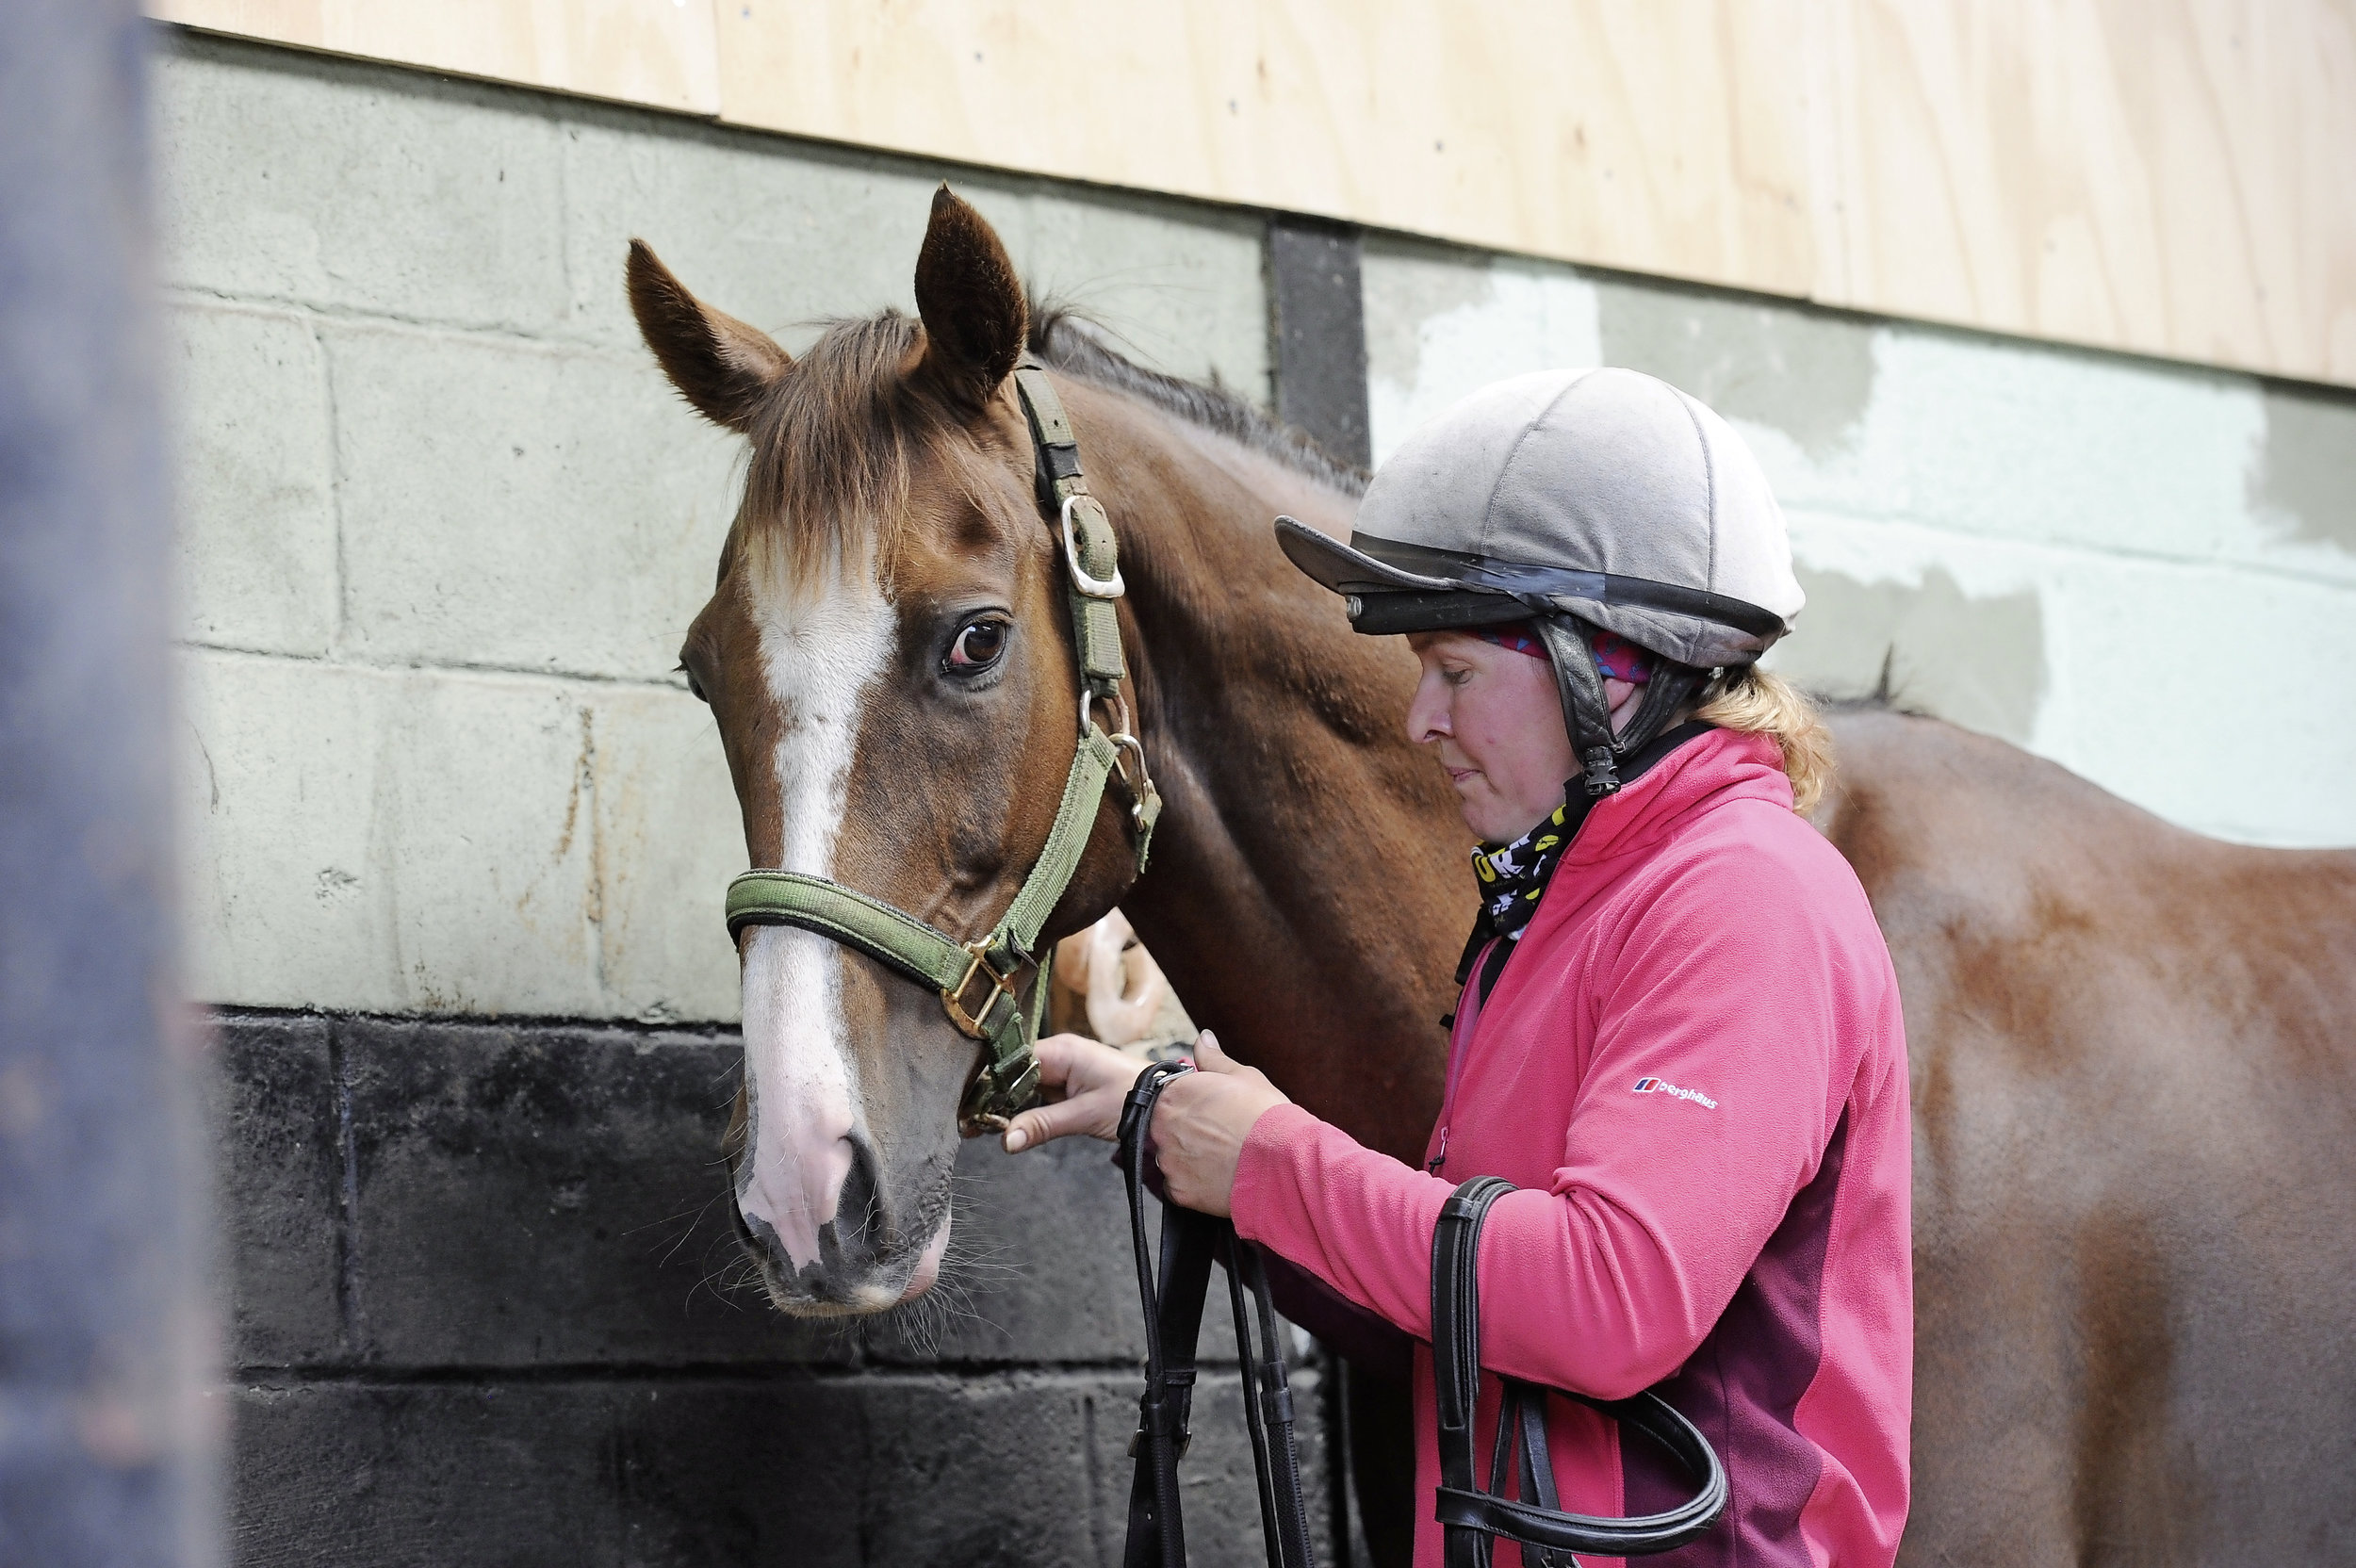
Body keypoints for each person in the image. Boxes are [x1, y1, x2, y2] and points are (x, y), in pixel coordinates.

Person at [1003, 368, 1912, 1567]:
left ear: (1614, 668)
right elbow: (1461, 1299)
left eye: (1458, 671)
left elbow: (1607, 1299)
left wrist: (1273, 1160)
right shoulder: (1548, 913)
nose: (1420, 716)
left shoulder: (1746, 898)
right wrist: (1171, 1127)